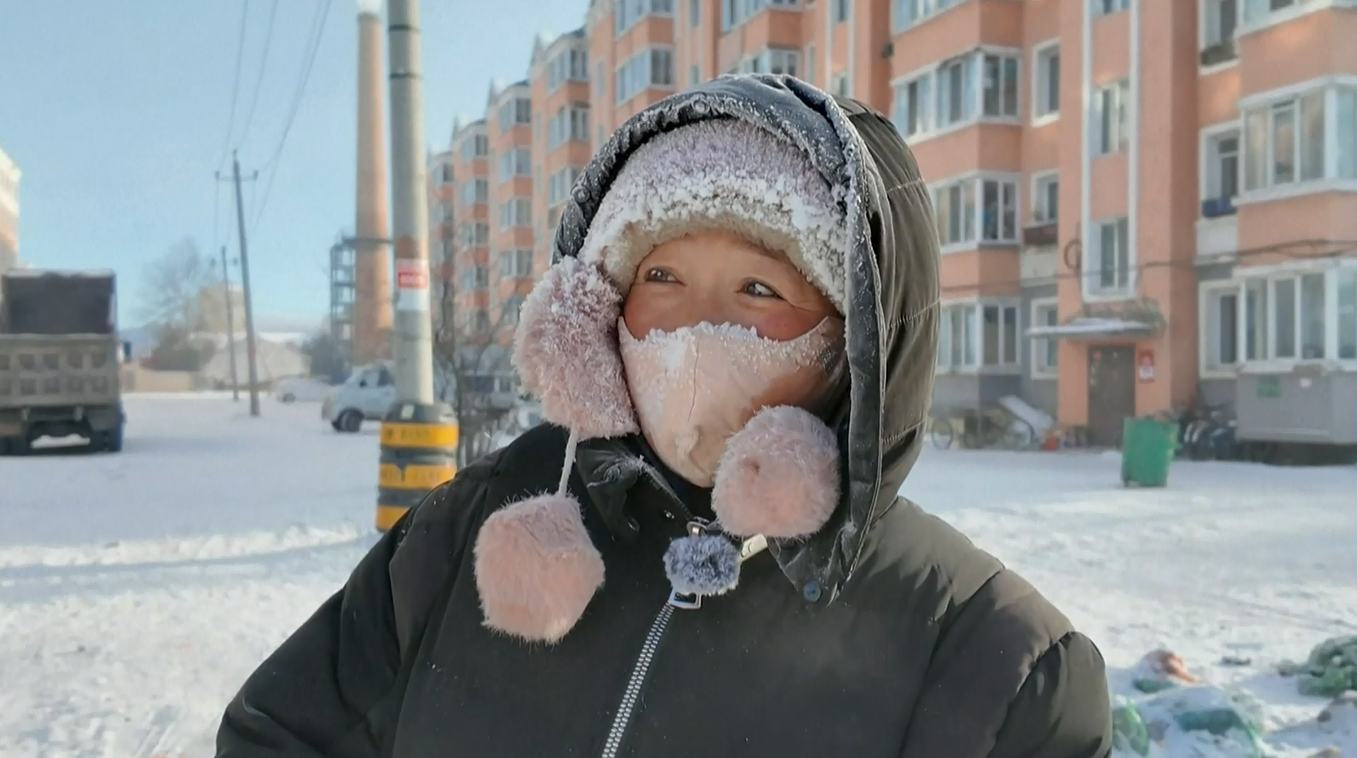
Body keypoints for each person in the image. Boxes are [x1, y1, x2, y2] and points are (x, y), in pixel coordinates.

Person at [217, 75, 1112, 758]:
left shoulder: (993, 666)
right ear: (600, 307)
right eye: (661, 276)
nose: (693, 330)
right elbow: (279, 733)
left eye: (758, 288)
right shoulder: (477, 524)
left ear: (856, 342)